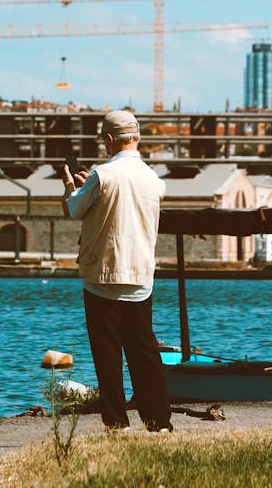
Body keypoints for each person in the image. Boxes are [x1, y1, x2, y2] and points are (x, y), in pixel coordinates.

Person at [62, 109, 172, 433]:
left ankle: (116, 422)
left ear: (109, 140)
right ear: (136, 138)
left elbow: (74, 209)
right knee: (144, 352)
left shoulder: (101, 175)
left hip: (103, 277)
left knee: (107, 354)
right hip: (140, 277)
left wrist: (71, 186)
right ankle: (158, 420)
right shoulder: (154, 181)